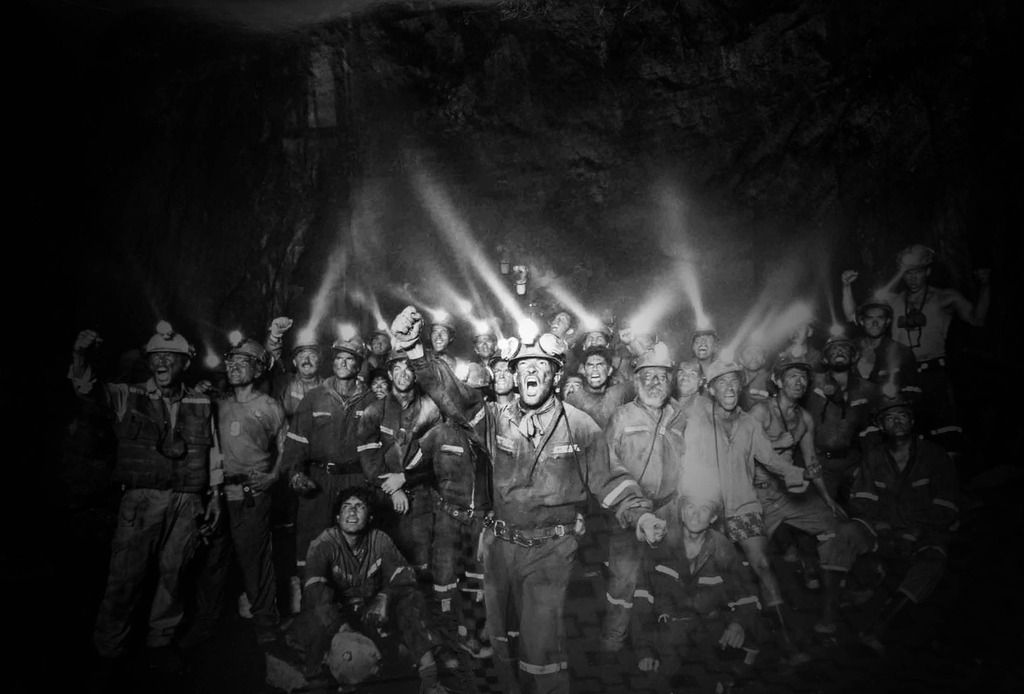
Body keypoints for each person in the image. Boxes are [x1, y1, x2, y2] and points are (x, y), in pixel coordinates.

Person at [390, 306, 666, 694]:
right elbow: (454, 397)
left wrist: (640, 515)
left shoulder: (580, 426)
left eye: (540, 366)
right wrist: (416, 351)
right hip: (500, 547)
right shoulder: (495, 419)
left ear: (556, 375)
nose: (530, 372)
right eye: (523, 367)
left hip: (550, 550)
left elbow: (611, 479)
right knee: (500, 642)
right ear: (515, 377)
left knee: (540, 646)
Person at [70, 321, 223, 673]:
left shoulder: (200, 401)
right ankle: (109, 647)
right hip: (141, 500)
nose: (161, 362)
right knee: (125, 577)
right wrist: (80, 356)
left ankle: (161, 641)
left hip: (187, 500)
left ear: (185, 362)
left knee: (175, 574)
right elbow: (86, 389)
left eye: (169, 356)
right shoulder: (128, 394)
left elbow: (213, 450)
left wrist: (214, 495)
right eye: (156, 356)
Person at [682, 359, 812, 658]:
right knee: (712, 574)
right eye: (721, 382)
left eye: (733, 382)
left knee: (762, 565)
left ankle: (786, 642)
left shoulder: (750, 423)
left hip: (743, 506)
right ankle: (716, 642)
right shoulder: (699, 420)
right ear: (711, 389)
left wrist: (795, 473)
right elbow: (686, 462)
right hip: (709, 509)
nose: (729, 388)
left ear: (741, 387)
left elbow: (770, 459)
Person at [380, 366, 494, 661]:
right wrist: (404, 472)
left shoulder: (492, 430)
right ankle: (446, 640)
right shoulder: (439, 433)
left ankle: (472, 633)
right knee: (443, 580)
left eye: (477, 395)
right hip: (448, 518)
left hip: (481, 520)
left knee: (476, 580)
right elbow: (413, 465)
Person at [289, 487, 450, 693]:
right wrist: (344, 629)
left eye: (360, 506)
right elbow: (315, 593)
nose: (352, 511)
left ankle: (429, 678)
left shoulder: (379, 539)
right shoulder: (323, 543)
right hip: (335, 618)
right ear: (337, 517)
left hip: (369, 612)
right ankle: (315, 675)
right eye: (346, 507)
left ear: (370, 517)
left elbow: (405, 576)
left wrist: (385, 596)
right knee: (318, 621)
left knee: (411, 597)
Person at [181, 336, 285, 648]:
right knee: (212, 560)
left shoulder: (269, 406)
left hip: (252, 495)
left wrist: (273, 476)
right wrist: (197, 391)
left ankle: (266, 624)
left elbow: (286, 447)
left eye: (243, 362)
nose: (234, 367)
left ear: (258, 369)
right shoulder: (218, 403)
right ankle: (206, 622)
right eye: (231, 361)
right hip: (217, 494)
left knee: (255, 562)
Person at [841, 244, 991, 459]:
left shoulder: (944, 297)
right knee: (903, 430)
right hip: (900, 375)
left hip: (932, 373)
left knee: (943, 429)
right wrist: (846, 286)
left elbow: (977, 319)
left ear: (927, 271)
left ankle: (947, 474)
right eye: (907, 273)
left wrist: (985, 286)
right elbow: (853, 316)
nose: (912, 278)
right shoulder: (893, 300)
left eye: (917, 272)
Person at [748, 354, 859, 635]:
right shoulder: (760, 412)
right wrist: (776, 443)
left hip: (788, 492)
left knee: (835, 526)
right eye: (792, 376)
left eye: (803, 377)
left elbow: (811, 462)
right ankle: (764, 624)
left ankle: (830, 610)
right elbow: (740, 452)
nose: (799, 382)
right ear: (777, 381)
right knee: (753, 557)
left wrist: (828, 499)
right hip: (757, 494)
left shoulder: (804, 418)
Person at [847, 396, 959, 655]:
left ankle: (880, 626)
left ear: (912, 421)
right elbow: (862, 499)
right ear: (880, 425)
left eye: (902, 416)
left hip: (924, 533)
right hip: (886, 532)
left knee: (932, 561)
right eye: (889, 417)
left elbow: (947, 503)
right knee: (856, 547)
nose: (896, 422)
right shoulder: (874, 457)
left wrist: (917, 530)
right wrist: (882, 527)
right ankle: (848, 614)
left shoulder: (935, 455)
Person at [599, 342, 688, 653]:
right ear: (636, 381)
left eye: (661, 376)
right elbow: (606, 466)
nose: (654, 383)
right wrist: (631, 509)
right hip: (628, 511)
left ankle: (660, 645)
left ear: (670, 381)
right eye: (647, 376)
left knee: (666, 574)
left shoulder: (679, 417)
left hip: (668, 510)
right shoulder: (621, 417)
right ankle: (614, 641)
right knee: (623, 581)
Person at [633, 485, 763, 690]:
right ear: (682, 513)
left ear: (713, 517)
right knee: (656, 681)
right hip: (669, 632)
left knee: (719, 674)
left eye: (704, 509)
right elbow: (642, 601)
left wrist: (738, 624)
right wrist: (645, 651)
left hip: (709, 630)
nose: (695, 514)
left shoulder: (723, 548)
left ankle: (723, 679)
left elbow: (746, 594)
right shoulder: (659, 545)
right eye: (690, 507)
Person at [280, 332, 377, 592]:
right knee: (312, 541)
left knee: (355, 540)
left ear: (358, 365)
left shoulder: (371, 401)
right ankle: (312, 600)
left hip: (355, 481)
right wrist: (294, 473)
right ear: (332, 362)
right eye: (339, 358)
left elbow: (379, 448)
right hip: (318, 480)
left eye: (350, 359)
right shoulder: (314, 397)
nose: (343, 363)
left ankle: (353, 600)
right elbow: (295, 442)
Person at [356, 350, 441, 576]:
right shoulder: (375, 411)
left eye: (408, 369)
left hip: (422, 494)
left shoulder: (431, 409)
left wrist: (405, 478)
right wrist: (393, 490)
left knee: (422, 560)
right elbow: (368, 455)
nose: (403, 375)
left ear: (416, 374)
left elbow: (437, 455)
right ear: (390, 375)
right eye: (397, 369)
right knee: (388, 561)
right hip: (385, 496)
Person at [266, 320, 325, 614]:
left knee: (314, 526)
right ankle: (287, 586)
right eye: (301, 354)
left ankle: (313, 583)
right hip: (286, 464)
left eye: (312, 354)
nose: (307, 359)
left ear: (320, 360)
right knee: (285, 527)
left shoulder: (329, 387)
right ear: (294, 361)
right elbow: (268, 363)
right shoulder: (284, 384)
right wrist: (275, 336)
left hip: (317, 467)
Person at [806, 332, 879, 502]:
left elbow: (875, 431)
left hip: (854, 463)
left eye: (844, 348)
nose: (839, 351)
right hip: (821, 463)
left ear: (854, 357)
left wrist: (869, 466)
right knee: (825, 512)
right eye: (833, 349)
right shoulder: (812, 384)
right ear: (824, 359)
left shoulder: (868, 390)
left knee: (861, 508)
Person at [843, 292, 919, 396]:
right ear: (861, 321)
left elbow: (912, 391)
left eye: (880, 318)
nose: (875, 323)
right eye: (869, 318)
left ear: (887, 321)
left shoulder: (902, 352)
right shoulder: (849, 349)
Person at [564, 346, 632, 430]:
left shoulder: (619, 394)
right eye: (590, 365)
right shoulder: (573, 401)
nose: (595, 369)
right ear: (584, 371)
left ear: (609, 371)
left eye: (600, 365)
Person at [737, 339, 772, 411]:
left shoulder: (771, 379)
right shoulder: (735, 378)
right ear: (741, 359)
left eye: (758, 352)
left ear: (764, 359)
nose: (754, 357)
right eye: (749, 352)